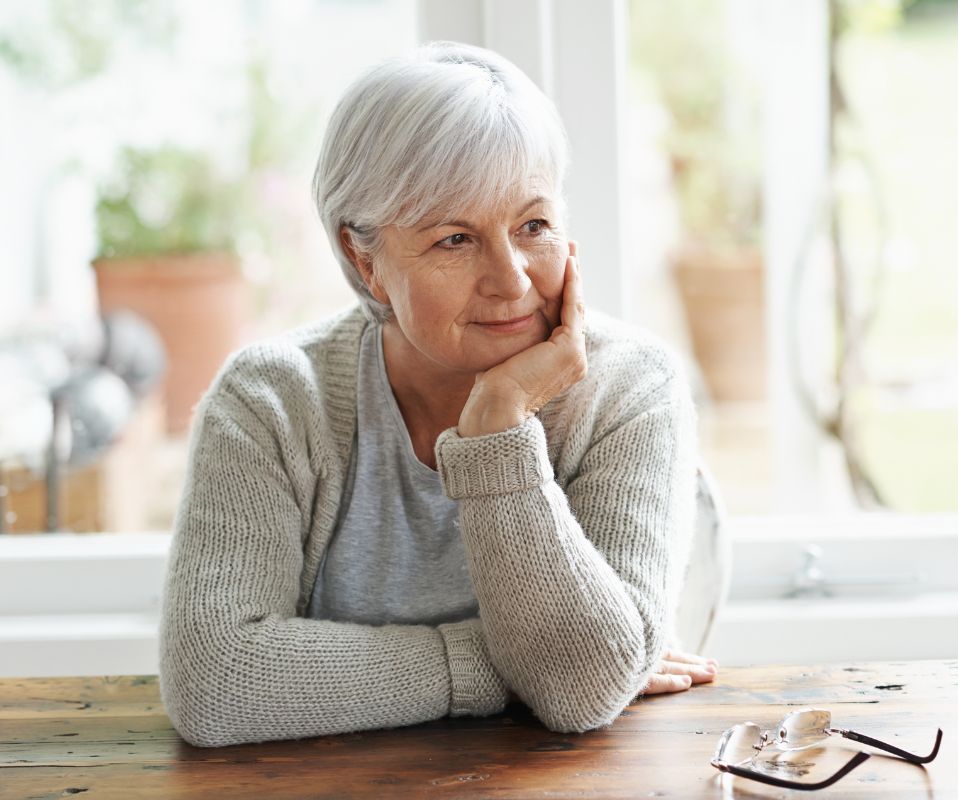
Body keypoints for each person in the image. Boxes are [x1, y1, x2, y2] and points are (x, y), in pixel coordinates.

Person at [158, 42, 714, 748]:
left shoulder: (631, 389)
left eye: (533, 226)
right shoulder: (270, 400)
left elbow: (580, 697)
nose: (511, 279)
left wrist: (498, 430)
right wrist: (504, 666)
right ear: (366, 259)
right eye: (455, 238)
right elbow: (216, 682)